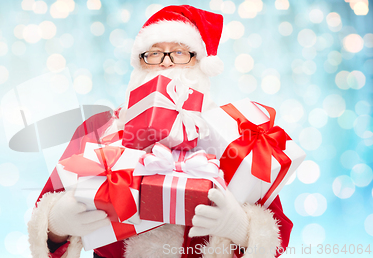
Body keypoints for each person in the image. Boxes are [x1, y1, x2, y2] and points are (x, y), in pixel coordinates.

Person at [28, 5, 292, 258]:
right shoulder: (99, 128)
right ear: (140, 64)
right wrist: (57, 225)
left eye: (179, 52)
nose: (166, 63)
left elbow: (276, 235)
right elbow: (45, 214)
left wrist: (241, 229)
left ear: (200, 63)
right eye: (154, 53)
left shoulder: (234, 136)